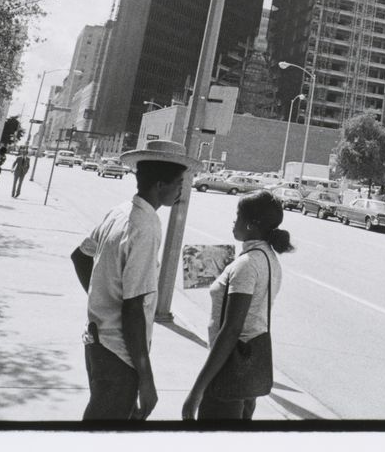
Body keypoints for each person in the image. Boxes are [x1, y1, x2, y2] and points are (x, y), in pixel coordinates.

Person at [71, 139, 196, 421]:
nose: (181, 188)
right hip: (119, 353)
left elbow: (80, 256)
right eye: (178, 182)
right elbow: (133, 307)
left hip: (98, 340)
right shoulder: (145, 226)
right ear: (160, 185)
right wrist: (146, 378)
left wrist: (101, 299)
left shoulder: (119, 212)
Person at [183, 189, 293, 421]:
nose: (234, 221)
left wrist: (197, 390)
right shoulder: (269, 258)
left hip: (227, 370)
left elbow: (232, 329)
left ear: (252, 224)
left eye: (238, 215)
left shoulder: (247, 264)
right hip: (246, 370)